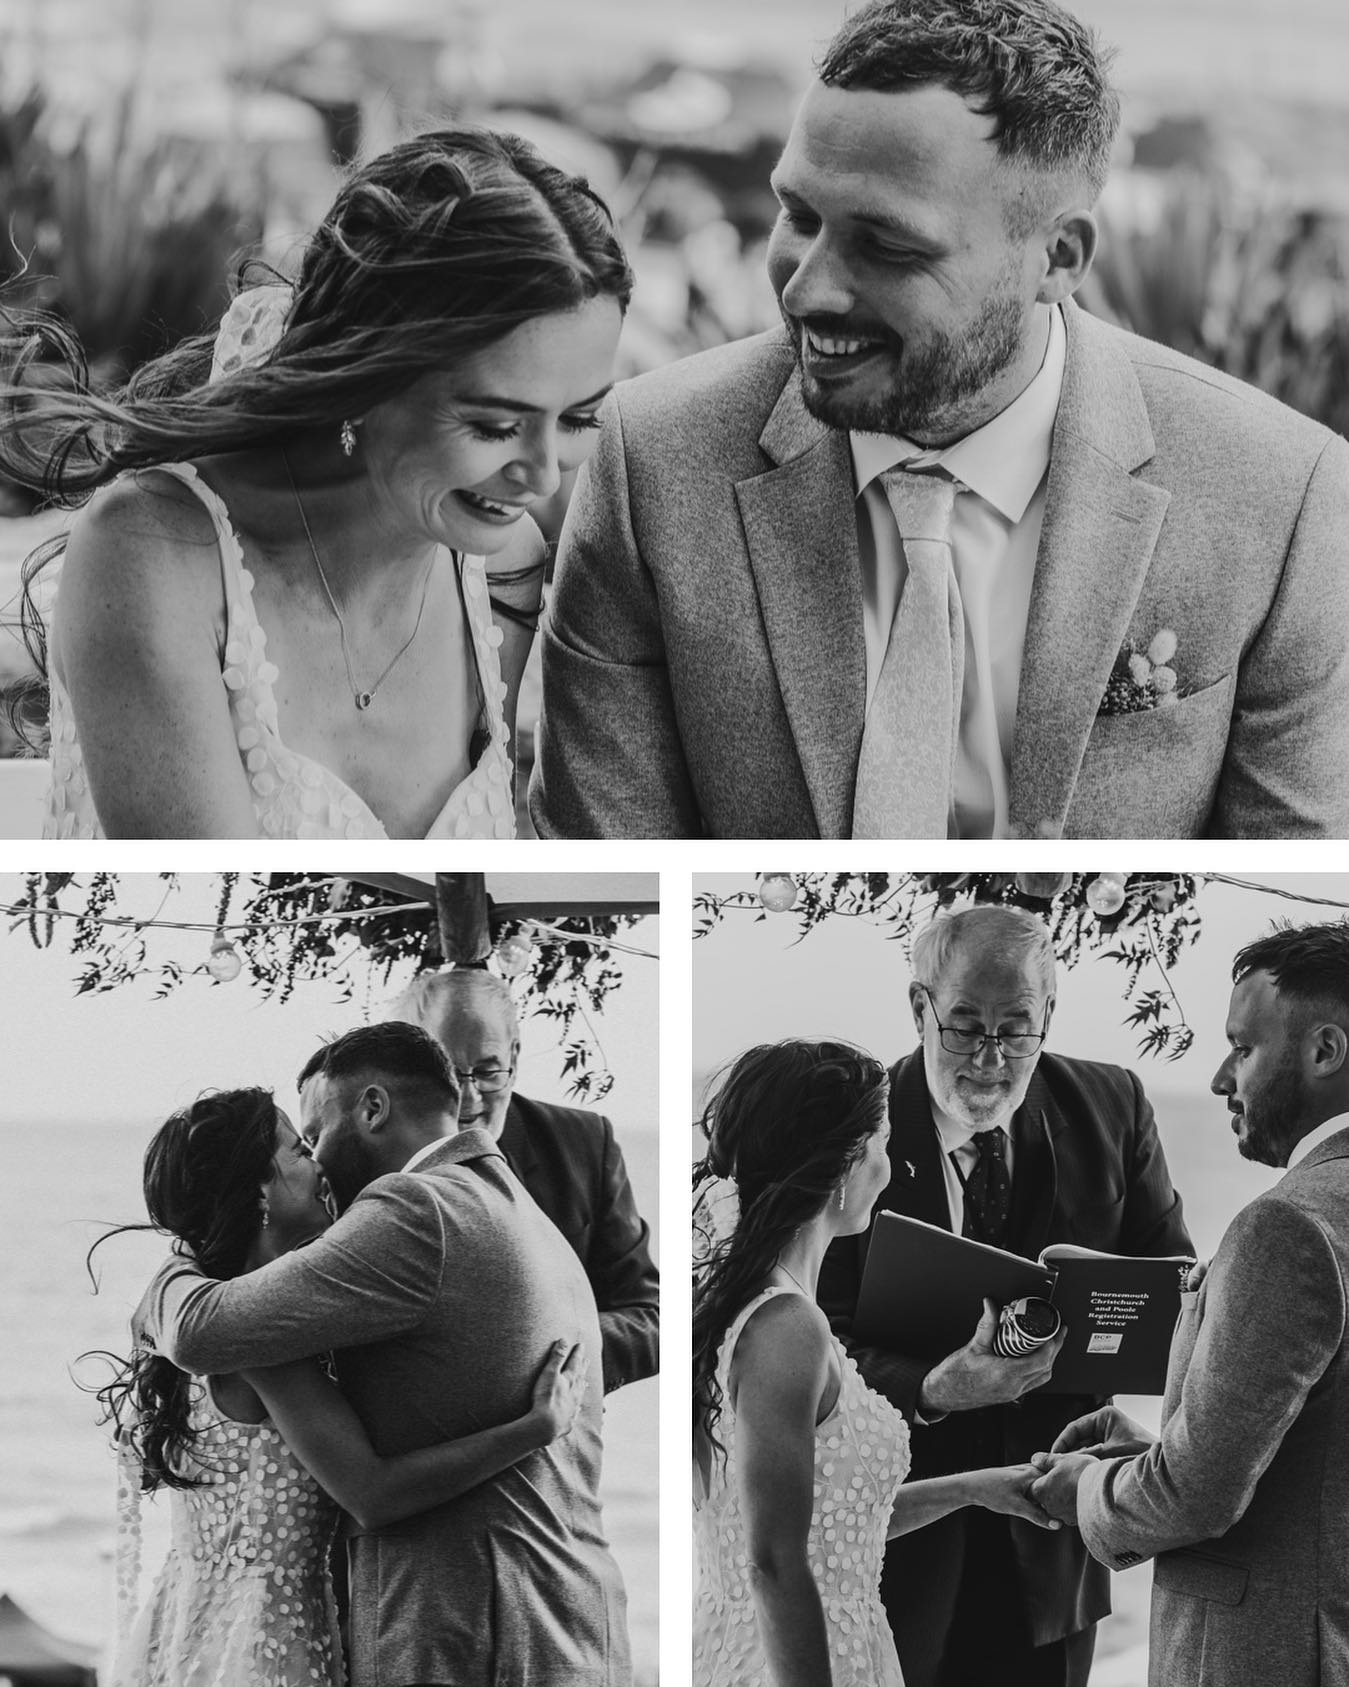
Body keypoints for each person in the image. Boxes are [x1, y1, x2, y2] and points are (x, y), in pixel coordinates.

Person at [531, 0, 1349, 840]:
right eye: (799, 216)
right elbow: (608, 849)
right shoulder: (653, 461)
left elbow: (1303, 871)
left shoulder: (1281, 495)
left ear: (1056, 258)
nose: (804, 289)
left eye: (887, 247)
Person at [1, 125, 630, 839]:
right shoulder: (154, 553)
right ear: (363, 377)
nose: (543, 474)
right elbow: (224, 927)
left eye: (579, 418)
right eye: (492, 425)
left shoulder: (500, 565)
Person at [138, 1023, 630, 1687]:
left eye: (313, 1134)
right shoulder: (520, 1209)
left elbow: (197, 1330)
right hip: (565, 1617)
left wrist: (163, 1280)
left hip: (467, 1630)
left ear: (372, 1107)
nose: (316, 1158)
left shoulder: (412, 1208)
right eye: (300, 1147)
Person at [816, 905, 1192, 1687]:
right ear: (919, 1007)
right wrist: (932, 1387)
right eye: (964, 1025)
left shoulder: (1112, 1104)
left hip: (1054, 1537)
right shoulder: (852, 1127)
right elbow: (814, 1340)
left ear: (1049, 1014)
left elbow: (1184, 1303)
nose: (990, 1056)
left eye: (1016, 1027)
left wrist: (1111, 1291)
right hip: (898, 1535)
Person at [1029, 921, 1349, 1687]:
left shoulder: (1286, 1226)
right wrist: (1159, 1448)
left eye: (1241, 1047)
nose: (1217, 1077)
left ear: (1324, 1051)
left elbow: (1195, 1495)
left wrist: (1087, 1488)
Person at [693, 1038, 1062, 1687]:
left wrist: (978, 1487)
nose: (890, 1167)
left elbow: (832, 1526)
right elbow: (774, 1560)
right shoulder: (786, 1329)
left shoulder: (759, 1309)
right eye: (884, 1144)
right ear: (845, 1162)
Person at [398, 966, 659, 1392]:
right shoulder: (380, 1155)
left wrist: (543, 1359)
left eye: (487, 1070)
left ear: (515, 1056)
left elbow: (651, 1314)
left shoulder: (586, 1142)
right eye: (445, 1070)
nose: (468, 1096)